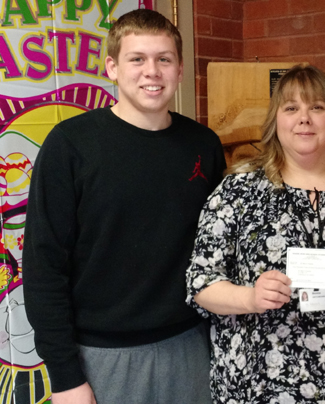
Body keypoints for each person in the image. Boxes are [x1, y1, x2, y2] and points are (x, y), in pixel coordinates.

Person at [22, 9, 225, 404]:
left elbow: (218, 247)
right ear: (112, 68)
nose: (152, 71)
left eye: (163, 59)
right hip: (102, 356)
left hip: (191, 346)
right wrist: (65, 376)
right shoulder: (70, 145)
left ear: (180, 69)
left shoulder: (204, 144)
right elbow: (44, 266)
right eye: (137, 59)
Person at [186, 65, 325, 403]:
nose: (304, 118)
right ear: (276, 121)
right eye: (291, 108)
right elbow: (201, 282)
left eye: (317, 107)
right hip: (260, 385)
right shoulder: (239, 190)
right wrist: (250, 298)